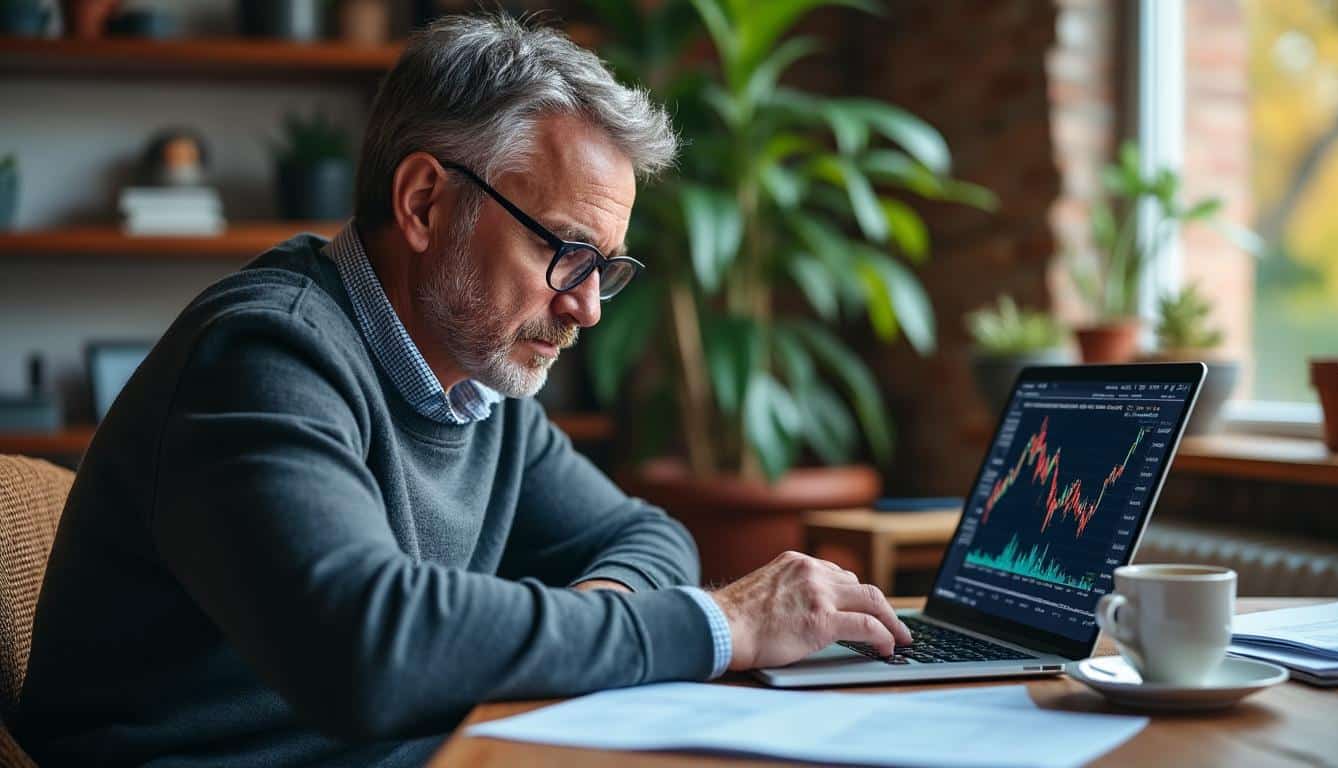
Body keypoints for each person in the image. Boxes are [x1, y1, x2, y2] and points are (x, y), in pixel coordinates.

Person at [12, 14, 909, 767]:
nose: (588, 307)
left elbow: (646, 533)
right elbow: (374, 648)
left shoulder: (478, 388)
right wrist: (716, 624)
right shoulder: (265, 354)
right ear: (425, 203)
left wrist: (597, 624)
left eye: (607, 268)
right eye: (563, 251)